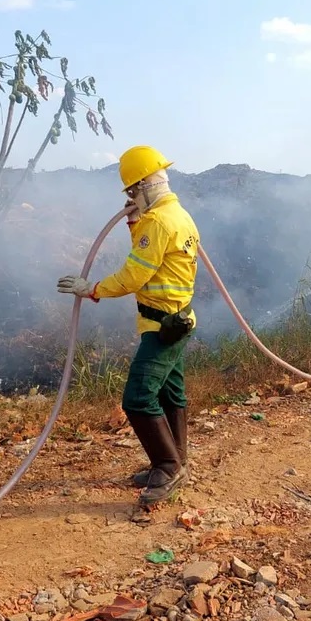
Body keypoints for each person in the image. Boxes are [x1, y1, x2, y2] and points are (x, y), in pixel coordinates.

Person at [57, 145, 200, 506]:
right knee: (170, 393)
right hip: (173, 321)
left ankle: (168, 467)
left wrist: (91, 289)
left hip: (163, 327)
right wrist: (136, 221)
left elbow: (134, 274)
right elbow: (152, 256)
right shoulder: (175, 215)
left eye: (132, 191)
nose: (131, 197)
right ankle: (176, 460)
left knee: (137, 398)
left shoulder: (159, 221)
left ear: (146, 185)